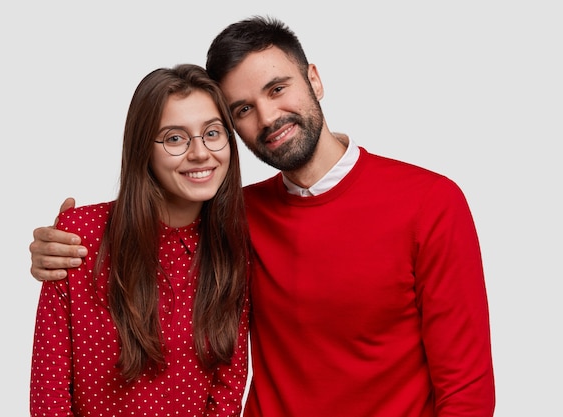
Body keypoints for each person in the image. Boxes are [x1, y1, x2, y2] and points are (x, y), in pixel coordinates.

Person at [29, 16, 495, 417]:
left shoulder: (431, 202)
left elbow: (466, 392)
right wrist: (62, 246)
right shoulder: (233, 217)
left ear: (314, 79)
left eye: (277, 88)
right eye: (244, 109)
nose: (269, 117)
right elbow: (156, 233)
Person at [29, 64, 251, 417]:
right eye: (175, 138)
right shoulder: (80, 236)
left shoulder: (233, 244)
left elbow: (227, 390)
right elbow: (49, 396)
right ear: (142, 150)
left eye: (212, 133)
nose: (200, 153)